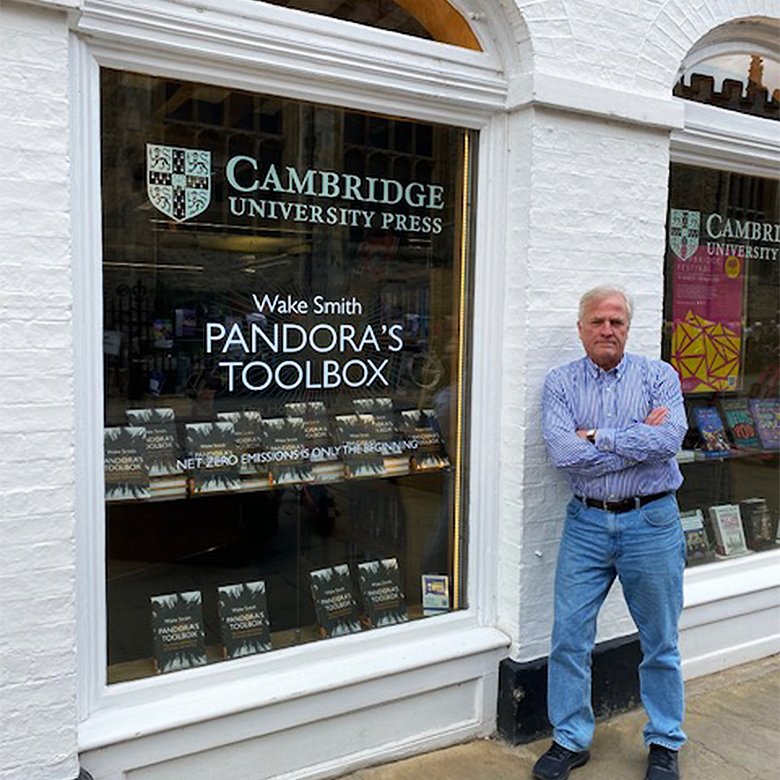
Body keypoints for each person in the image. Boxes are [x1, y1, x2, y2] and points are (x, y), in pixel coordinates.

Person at [533, 286, 688, 780]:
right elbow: (563, 453)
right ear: (581, 328)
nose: (607, 330)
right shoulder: (559, 384)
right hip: (587, 522)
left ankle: (664, 740)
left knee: (660, 640)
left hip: (652, 520)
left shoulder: (658, 376)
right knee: (569, 637)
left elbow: (668, 440)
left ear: (628, 328)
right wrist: (636, 438)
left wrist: (598, 436)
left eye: (616, 322)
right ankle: (570, 739)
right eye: (598, 321)